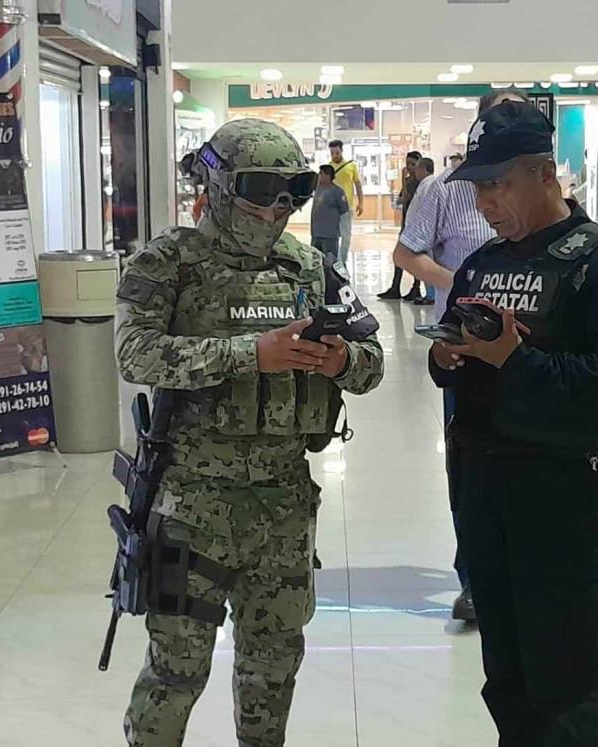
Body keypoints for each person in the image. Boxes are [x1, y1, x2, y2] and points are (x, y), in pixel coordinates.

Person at [115, 118, 384, 746]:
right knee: (176, 671)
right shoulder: (167, 263)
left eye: (293, 189)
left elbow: (372, 365)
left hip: (284, 504)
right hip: (190, 504)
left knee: (273, 668)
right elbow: (135, 354)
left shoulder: (309, 268)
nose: (278, 207)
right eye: (261, 188)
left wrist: (342, 361)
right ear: (216, 183)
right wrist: (248, 355)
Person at [429, 100, 598, 746]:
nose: (485, 202)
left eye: (498, 183)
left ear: (544, 173)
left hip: (558, 492)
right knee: (505, 674)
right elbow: (454, 364)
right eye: (477, 186)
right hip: (481, 483)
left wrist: (516, 359)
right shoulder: (482, 265)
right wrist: (446, 355)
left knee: (562, 678)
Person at [393, 87, 530, 622]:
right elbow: (407, 252)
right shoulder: (443, 188)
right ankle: (473, 578)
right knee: (471, 465)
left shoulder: (537, 185)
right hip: (466, 341)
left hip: (524, 342)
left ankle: (522, 570)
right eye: (502, 112)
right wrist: (463, 284)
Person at [378, 150, 425, 302]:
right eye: (408, 164)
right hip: (407, 223)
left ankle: (414, 288)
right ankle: (397, 286)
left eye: (413, 164)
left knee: (412, 256)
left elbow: (406, 197)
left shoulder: (417, 182)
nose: (409, 167)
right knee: (401, 256)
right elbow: (400, 200)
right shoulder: (411, 180)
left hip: (414, 225)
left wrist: (403, 181)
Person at [327, 139, 364, 266]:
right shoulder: (329, 167)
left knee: (346, 235)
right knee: (333, 235)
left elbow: (358, 184)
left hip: (347, 207)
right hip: (332, 208)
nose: (335, 156)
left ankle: (342, 261)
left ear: (341, 150)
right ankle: (334, 260)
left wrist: (361, 202)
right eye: (332, 153)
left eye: (337, 152)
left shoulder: (351, 165)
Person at [310, 163, 349, 260]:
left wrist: (344, 231)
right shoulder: (317, 189)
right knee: (315, 260)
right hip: (316, 233)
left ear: (328, 176)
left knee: (331, 261)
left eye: (321, 173)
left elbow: (344, 211)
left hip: (330, 235)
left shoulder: (337, 192)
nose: (319, 176)